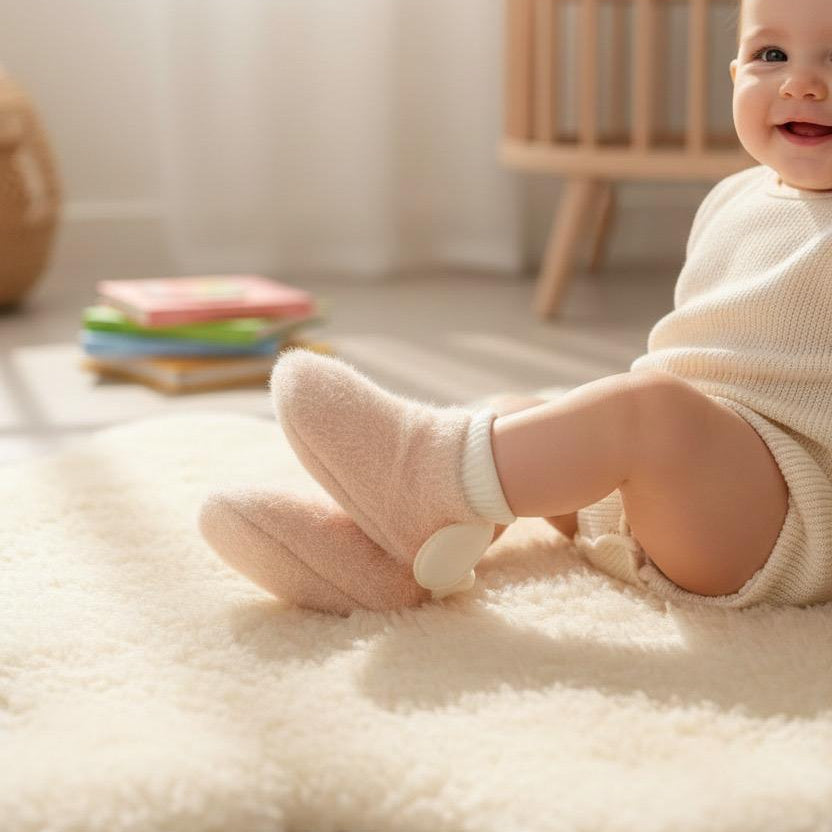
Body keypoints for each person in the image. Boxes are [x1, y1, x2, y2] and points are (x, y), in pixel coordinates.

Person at [200, 0, 832, 615]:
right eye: (770, 54)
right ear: (734, 73)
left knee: (645, 409)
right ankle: (384, 561)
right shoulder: (732, 197)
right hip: (661, 501)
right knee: (514, 416)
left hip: (781, 529)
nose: (801, 83)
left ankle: (420, 474)